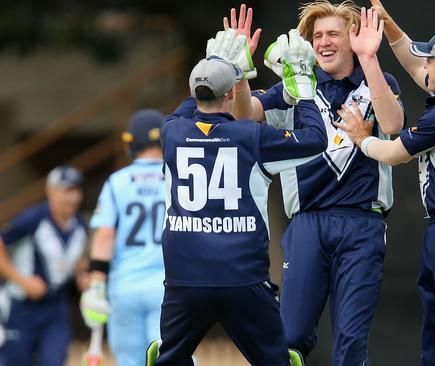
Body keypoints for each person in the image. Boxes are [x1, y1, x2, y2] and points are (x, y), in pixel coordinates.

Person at [226, 2, 405, 364]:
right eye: (317, 35)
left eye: (333, 34)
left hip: (362, 222)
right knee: (288, 336)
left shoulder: (378, 82)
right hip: (307, 222)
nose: (323, 42)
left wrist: (369, 59)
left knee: (351, 341)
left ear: (353, 38)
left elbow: (395, 125)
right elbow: (244, 116)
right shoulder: (295, 84)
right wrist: (240, 72)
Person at [147, 35, 327, 365]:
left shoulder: (171, 131)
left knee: (169, 359)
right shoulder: (251, 136)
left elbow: (188, 106)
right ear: (232, 92)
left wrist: (216, 63)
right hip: (244, 279)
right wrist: (303, 92)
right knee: (277, 361)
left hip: (184, 281)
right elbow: (316, 140)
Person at [334, 5, 435, 362]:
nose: (423, 66)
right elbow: (413, 62)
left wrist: (362, 137)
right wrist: (389, 25)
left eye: (430, 62)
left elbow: (394, 153)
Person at [79, 109, 166, 366]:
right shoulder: (178, 178)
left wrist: (96, 285)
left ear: (130, 143)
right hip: (168, 287)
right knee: (172, 357)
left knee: (130, 361)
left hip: (124, 286)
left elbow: (105, 235)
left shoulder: (117, 182)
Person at [0, 165, 87, 366]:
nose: (72, 198)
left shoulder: (80, 225)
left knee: (53, 360)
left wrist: (83, 275)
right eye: (66, 191)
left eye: (76, 191)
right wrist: (21, 281)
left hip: (56, 306)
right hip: (22, 306)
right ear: (51, 191)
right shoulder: (32, 219)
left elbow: (76, 258)